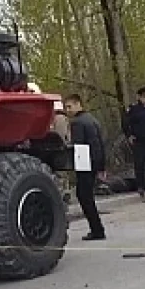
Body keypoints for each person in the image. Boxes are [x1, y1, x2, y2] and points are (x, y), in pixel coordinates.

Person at [63, 93, 108, 241]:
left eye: (69, 106)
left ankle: (97, 229)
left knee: (85, 197)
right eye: (66, 107)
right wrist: (101, 166)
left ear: (78, 104)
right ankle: (97, 228)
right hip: (95, 162)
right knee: (87, 196)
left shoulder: (77, 122)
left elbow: (79, 146)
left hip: (85, 164)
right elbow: (100, 144)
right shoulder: (93, 120)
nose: (67, 110)